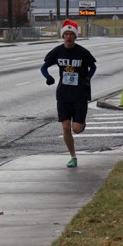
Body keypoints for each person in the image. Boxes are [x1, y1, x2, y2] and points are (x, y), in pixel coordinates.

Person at [40, 20, 97, 168]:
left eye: (71, 34)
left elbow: (93, 67)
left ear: (75, 36)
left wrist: (87, 78)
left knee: (76, 129)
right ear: (63, 36)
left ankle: (81, 124)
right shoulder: (58, 51)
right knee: (65, 127)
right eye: (66, 34)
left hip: (80, 95)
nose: (69, 37)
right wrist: (48, 77)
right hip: (63, 94)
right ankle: (73, 157)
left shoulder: (82, 52)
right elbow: (44, 67)